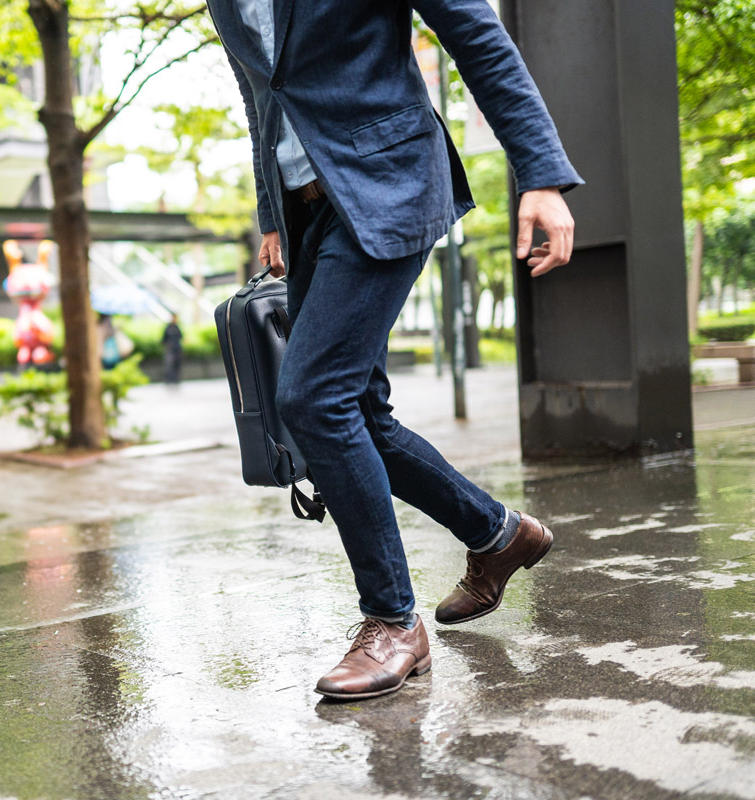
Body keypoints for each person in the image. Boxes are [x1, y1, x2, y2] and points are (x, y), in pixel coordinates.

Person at [209, 0, 579, 700]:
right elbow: (258, 91)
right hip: (307, 209)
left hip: (389, 179)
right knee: (361, 414)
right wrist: (271, 214)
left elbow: (476, 35)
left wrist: (541, 174)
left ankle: (392, 622)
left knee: (313, 397)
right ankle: (500, 536)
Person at [161, 314, 183, 386]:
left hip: (177, 348)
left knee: (177, 364)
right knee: (169, 365)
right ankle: (169, 380)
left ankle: (176, 379)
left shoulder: (177, 327)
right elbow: (164, 339)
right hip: (170, 349)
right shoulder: (168, 327)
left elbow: (181, 336)